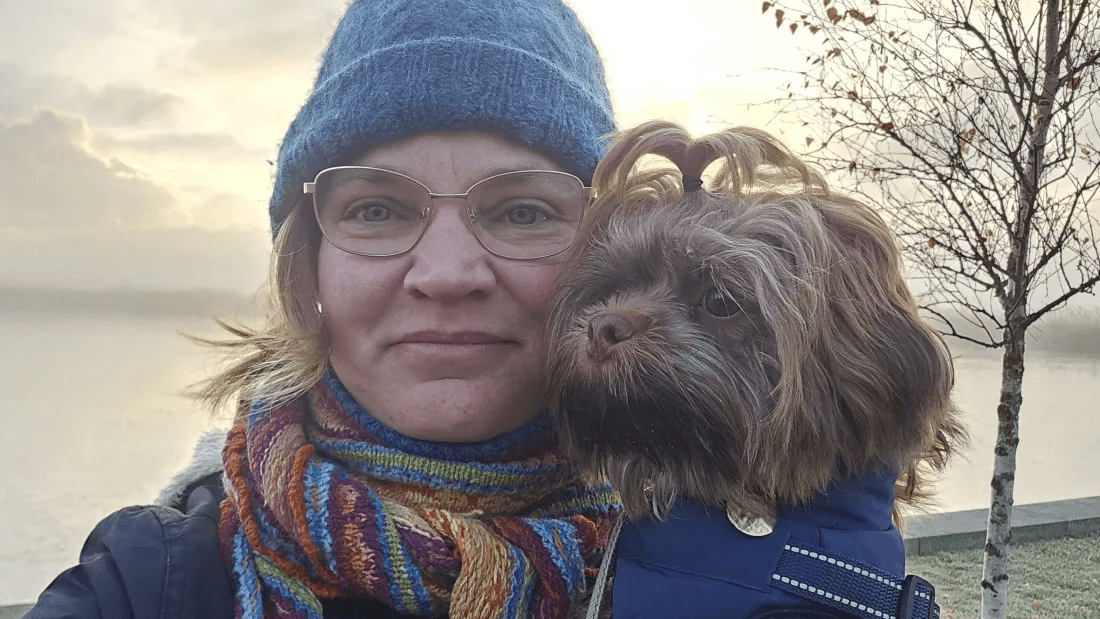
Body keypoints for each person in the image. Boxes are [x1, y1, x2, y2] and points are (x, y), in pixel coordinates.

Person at [23, 0, 621, 617]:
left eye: (524, 212)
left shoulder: (713, 556)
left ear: (614, 255)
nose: (446, 274)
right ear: (306, 262)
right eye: (377, 210)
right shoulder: (151, 582)